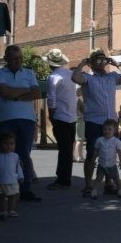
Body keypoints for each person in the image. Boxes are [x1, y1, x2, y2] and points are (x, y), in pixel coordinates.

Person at [72, 48, 121, 197]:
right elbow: (75, 78)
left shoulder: (112, 76)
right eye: (97, 60)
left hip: (110, 122)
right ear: (92, 63)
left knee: (110, 153)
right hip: (93, 121)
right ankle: (88, 185)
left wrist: (117, 64)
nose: (101, 63)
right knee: (92, 153)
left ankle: (108, 184)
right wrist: (82, 64)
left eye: (103, 60)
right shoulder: (88, 77)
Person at [0, 45, 42, 202]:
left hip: (27, 120)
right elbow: (3, 92)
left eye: (20, 58)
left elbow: (36, 93)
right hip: (5, 120)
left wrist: (14, 95)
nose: (18, 61)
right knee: (3, 155)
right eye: (14, 58)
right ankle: (0, 191)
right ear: (6, 59)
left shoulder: (29, 73)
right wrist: (24, 91)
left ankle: (25, 189)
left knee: (24, 156)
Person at [45, 48, 78, 189]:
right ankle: (65, 177)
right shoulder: (71, 74)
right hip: (71, 116)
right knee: (67, 149)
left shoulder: (52, 77)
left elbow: (51, 100)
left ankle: (62, 180)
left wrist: (51, 115)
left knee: (63, 149)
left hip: (60, 116)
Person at [0, 131, 23, 218]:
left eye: (12, 143)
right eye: (6, 143)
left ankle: (11, 210)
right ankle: (3, 210)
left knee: (13, 196)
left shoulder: (15, 156)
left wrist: (20, 176)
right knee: (1, 196)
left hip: (12, 180)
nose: (9, 146)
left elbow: (18, 167)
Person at [90, 119, 121, 199]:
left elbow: (120, 152)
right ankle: (94, 191)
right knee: (98, 178)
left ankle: (120, 190)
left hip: (112, 164)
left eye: (109, 129)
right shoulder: (99, 140)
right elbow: (96, 151)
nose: (107, 131)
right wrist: (93, 159)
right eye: (105, 129)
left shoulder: (117, 141)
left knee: (116, 179)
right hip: (101, 164)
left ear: (114, 131)